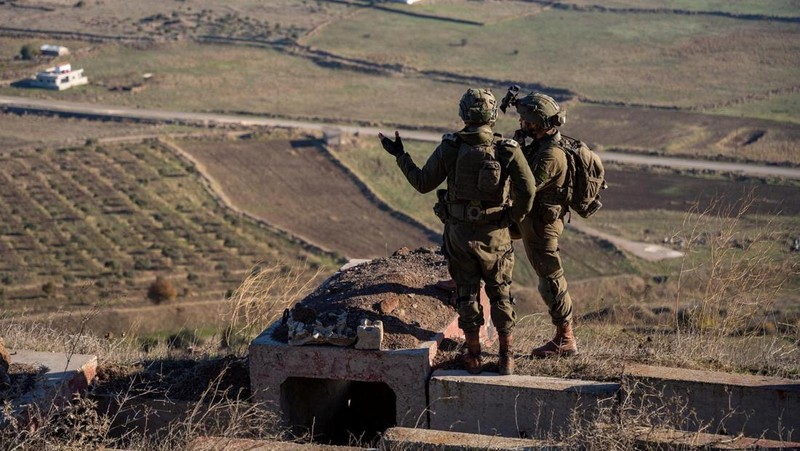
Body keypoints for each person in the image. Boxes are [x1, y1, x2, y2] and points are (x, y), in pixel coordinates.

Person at [378, 88, 535, 375]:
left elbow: (423, 182)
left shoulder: (451, 147)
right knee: (500, 293)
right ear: (492, 117)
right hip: (495, 234)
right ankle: (506, 358)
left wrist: (401, 155)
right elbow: (528, 190)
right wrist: (511, 218)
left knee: (466, 294)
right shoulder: (507, 149)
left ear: (464, 115)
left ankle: (473, 357)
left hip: (460, 234)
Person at [512, 92, 578, 358]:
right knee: (490, 239)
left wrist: (513, 155)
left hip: (541, 225)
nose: (522, 123)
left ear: (536, 123)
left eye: (525, 120)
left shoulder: (551, 156)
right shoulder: (541, 146)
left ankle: (565, 338)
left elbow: (526, 187)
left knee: (549, 278)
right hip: (529, 218)